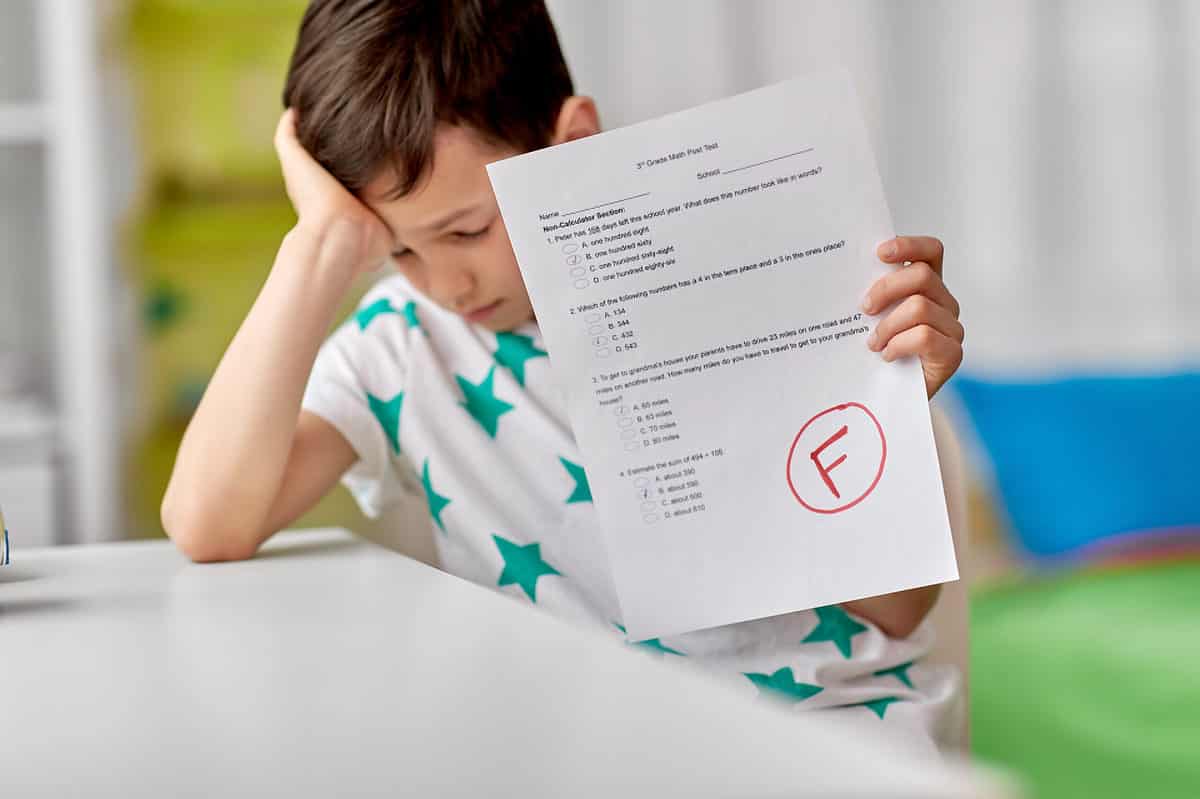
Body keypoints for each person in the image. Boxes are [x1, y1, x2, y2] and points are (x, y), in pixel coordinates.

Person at [162, 0, 967, 749]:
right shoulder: (402, 343)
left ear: (571, 142)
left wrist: (886, 411)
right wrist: (319, 247)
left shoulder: (743, 285)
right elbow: (208, 523)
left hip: (830, 738)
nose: (447, 284)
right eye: (395, 248)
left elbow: (895, 613)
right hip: (584, 756)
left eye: (468, 230)